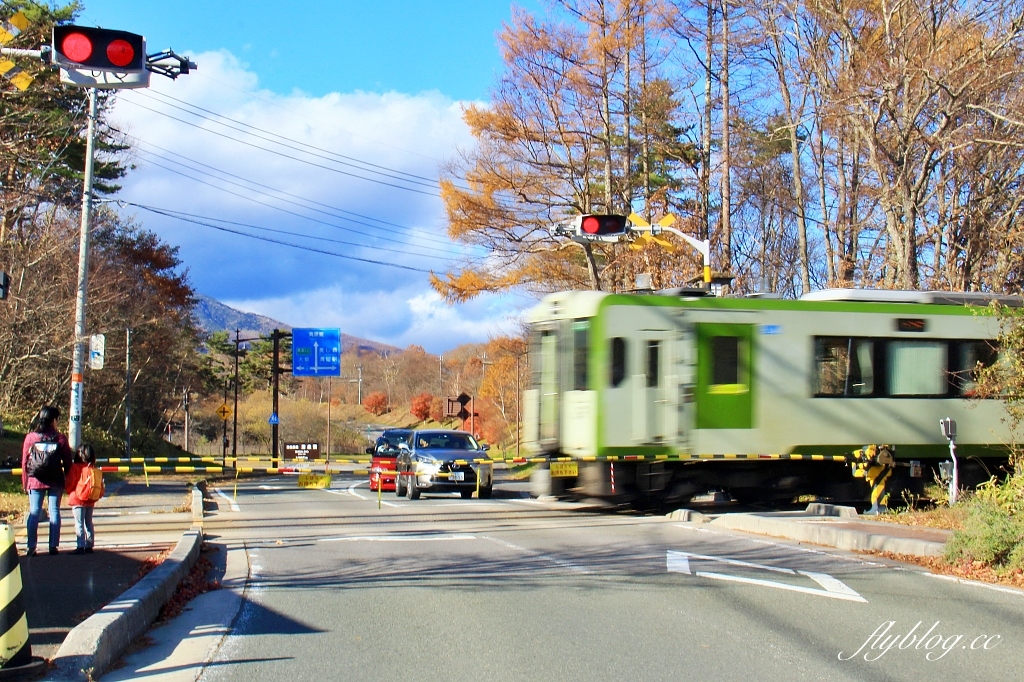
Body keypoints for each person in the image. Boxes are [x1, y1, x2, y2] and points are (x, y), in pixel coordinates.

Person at [21, 405, 73, 556]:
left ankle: (31, 546)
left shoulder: (31, 438)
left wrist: (25, 482)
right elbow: (68, 463)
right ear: (54, 421)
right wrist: (69, 482)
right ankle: (53, 546)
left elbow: (24, 462)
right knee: (54, 511)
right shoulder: (61, 439)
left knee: (35, 511)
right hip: (55, 480)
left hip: (35, 479)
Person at [66, 444, 101, 554]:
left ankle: (80, 545)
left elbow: (70, 482)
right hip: (90, 500)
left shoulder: (75, 467)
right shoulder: (93, 468)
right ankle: (89, 545)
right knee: (89, 522)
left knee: (79, 523)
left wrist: (69, 491)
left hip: (77, 499)